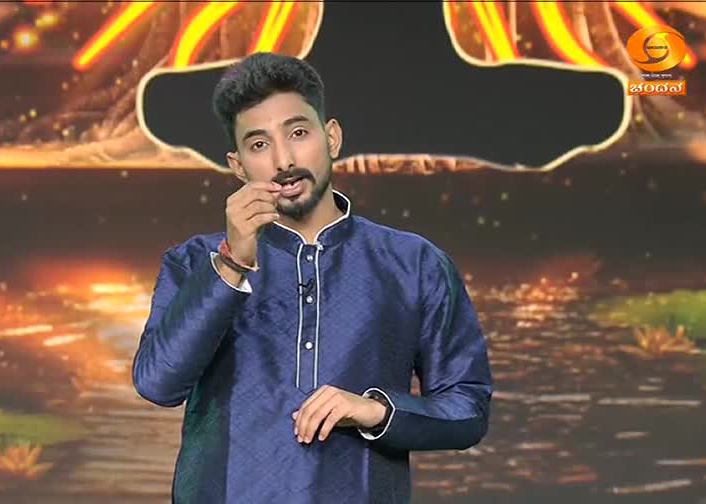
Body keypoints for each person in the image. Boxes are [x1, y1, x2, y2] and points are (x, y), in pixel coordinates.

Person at [132, 52, 493, 504]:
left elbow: (468, 410)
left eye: (298, 133)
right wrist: (232, 264)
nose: (283, 160)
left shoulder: (414, 263)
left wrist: (375, 411)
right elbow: (158, 384)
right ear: (238, 166)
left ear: (332, 137)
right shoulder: (194, 262)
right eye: (259, 145)